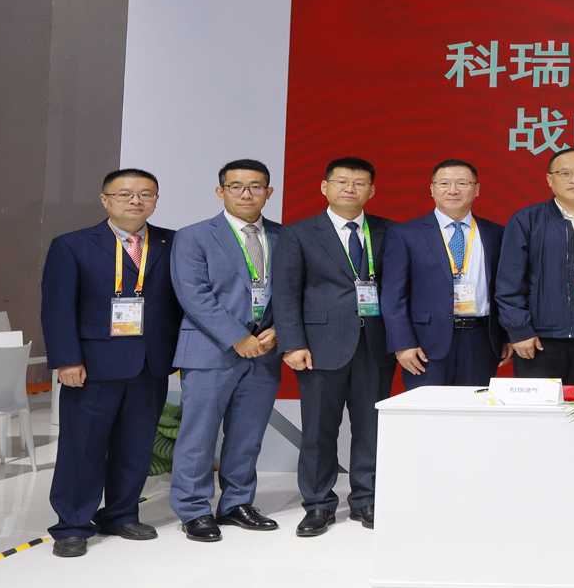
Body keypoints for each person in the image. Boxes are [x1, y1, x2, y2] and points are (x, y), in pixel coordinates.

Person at [39, 169, 182, 558]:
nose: (136, 200)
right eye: (125, 194)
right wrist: (67, 359)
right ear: (105, 200)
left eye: (146, 194)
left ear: (156, 200)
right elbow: (57, 308)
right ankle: (72, 524)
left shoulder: (172, 243)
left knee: (136, 445)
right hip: (92, 365)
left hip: (150, 363)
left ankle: (121, 514)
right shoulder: (72, 245)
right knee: (83, 446)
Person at [270, 156, 396, 535]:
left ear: (372, 190)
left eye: (359, 183)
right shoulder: (299, 234)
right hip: (319, 346)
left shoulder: (389, 231)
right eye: (341, 181)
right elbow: (286, 293)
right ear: (325, 187)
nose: (350, 189)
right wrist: (292, 343)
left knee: (371, 427)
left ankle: (366, 499)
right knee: (318, 430)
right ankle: (318, 504)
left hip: (375, 345)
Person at [168, 159, 286, 542]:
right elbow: (194, 295)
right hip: (210, 351)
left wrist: (278, 330)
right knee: (199, 434)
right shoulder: (194, 237)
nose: (246, 194)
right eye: (236, 186)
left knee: (247, 435)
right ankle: (194, 509)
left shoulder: (284, 237)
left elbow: (294, 292)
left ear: (269, 192)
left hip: (264, 351)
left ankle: (237, 503)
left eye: (256, 186)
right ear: (221, 191)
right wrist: (237, 337)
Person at [496, 148, 574, 387]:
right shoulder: (528, 220)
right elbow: (509, 283)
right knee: (541, 407)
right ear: (549, 179)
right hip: (541, 338)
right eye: (565, 173)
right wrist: (520, 331)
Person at [381, 159, 509, 389]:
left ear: (477, 189)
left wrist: (507, 336)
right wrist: (403, 343)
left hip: (481, 341)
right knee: (428, 409)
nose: (453, 190)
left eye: (462, 183)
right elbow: (393, 295)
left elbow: (505, 289)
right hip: (425, 345)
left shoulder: (496, 233)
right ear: (432, 189)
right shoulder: (405, 234)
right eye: (444, 183)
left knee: (474, 407)